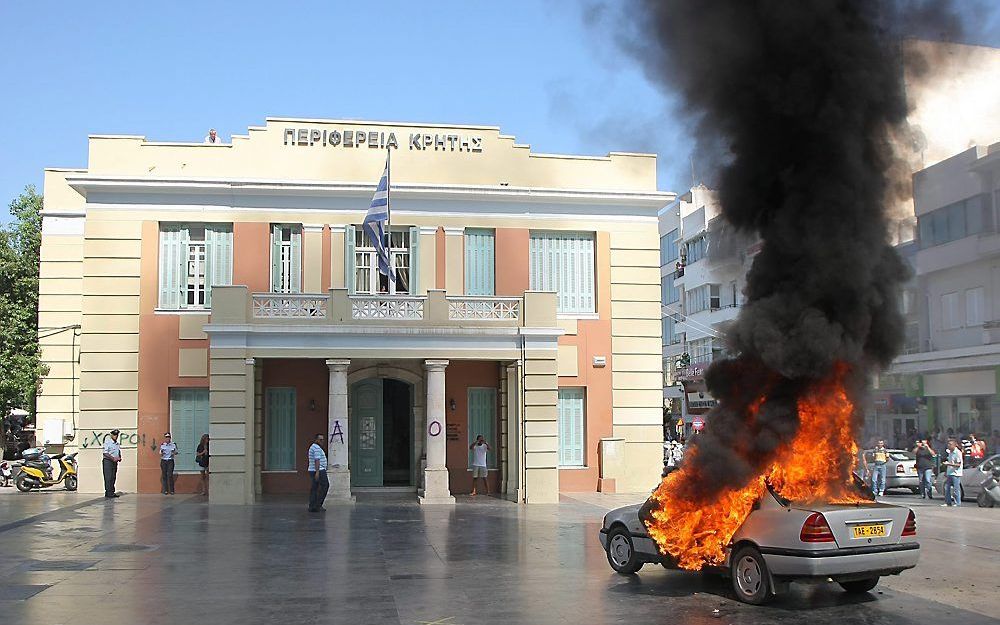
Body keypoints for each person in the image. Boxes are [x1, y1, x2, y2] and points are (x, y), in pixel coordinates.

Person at [307, 433, 329, 512]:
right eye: (320, 440)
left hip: (314, 470)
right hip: (319, 470)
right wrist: (317, 472)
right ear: (316, 440)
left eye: (323, 440)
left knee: (314, 488)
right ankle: (318, 505)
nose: (322, 441)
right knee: (325, 486)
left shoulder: (314, 447)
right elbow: (317, 460)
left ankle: (312, 506)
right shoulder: (316, 448)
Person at [942, 438, 964, 507]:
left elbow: (958, 464)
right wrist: (946, 471)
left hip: (956, 473)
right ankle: (948, 502)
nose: (948, 446)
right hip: (949, 473)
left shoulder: (957, 453)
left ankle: (957, 502)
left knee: (956, 489)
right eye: (948, 444)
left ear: (954, 445)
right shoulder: (950, 453)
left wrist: (948, 464)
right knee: (946, 488)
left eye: (950, 444)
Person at [102, 429, 122, 498]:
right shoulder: (107, 442)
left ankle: (112, 492)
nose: (115, 436)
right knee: (108, 477)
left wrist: (119, 457)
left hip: (114, 462)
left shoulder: (117, 444)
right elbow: (105, 453)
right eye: (114, 435)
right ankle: (108, 492)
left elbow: (118, 451)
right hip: (108, 461)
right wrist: (113, 458)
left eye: (117, 435)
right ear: (111, 435)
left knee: (113, 477)